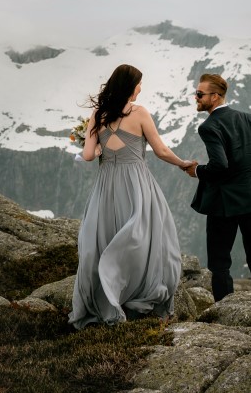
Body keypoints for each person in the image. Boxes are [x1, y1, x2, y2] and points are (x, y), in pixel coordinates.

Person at [69, 64, 194, 329]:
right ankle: (135, 294)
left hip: (107, 184)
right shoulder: (139, 113)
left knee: (106, 236)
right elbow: (160, 150)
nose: (141, 89)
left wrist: (102, 149)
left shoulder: (98, 114)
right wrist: (183, 163)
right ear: (129, 86)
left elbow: (88, 155)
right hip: (137, 183)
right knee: (145, 237)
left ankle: (108, 296)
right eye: (139, 84)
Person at [185, 73, 251, 302]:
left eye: (200, 94)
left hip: (224, 203)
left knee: (220, 262)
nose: (196, 97)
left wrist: (197, 171)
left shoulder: (209, 126)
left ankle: (225, 309)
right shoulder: (248, 118)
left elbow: (220, 165)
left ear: (215, 97)